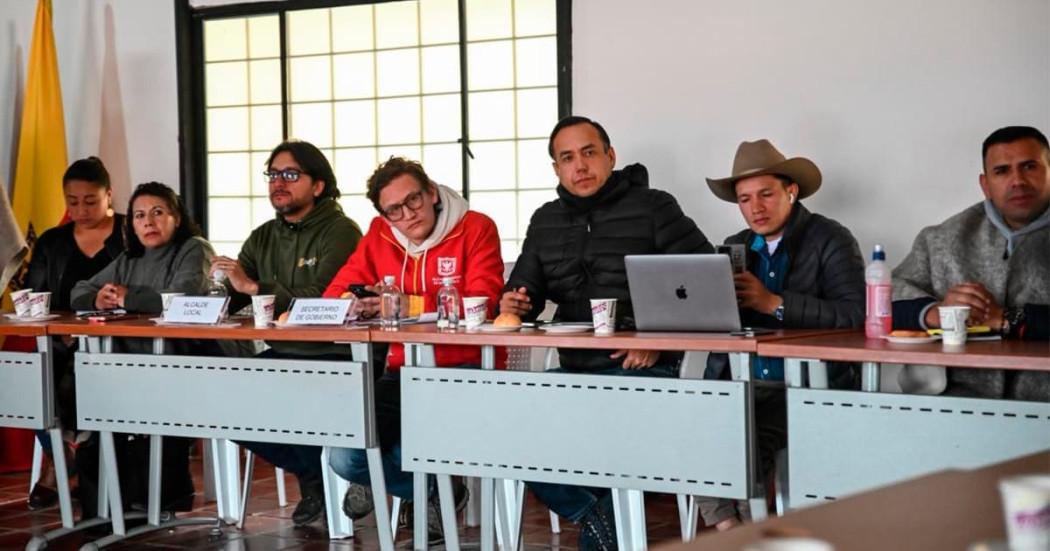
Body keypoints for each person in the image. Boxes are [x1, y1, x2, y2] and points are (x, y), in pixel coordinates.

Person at [499, 116, 713, 550]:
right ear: (557, 168)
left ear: (610, 156)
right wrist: (514, 303)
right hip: (575, 369)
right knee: (507, 427)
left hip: (644, 371)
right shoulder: (545, 220)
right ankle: (598, 518)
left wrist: (658, 341)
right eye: (567, 158)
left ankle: (603, 531)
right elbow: (525, 291)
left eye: (589, 153)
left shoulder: (654, 207)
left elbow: (707, 283)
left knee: (605, 439)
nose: (580, 166)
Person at [324, 156, 504, 539]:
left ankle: (399, 482)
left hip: (466, 371)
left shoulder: (476, 227)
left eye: (414, 200)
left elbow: (484, 303)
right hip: (401, 371)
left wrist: (408, 305)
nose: (407, 215)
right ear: (384, 215)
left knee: (405, 451)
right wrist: (354, 302)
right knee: (344, 455)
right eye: (394, 210)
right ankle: (440, 490)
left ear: (432, 193)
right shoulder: (380, 234)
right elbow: (333, 293)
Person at [700, 139, 866, 529]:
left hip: (809, 387)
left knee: (745, 438)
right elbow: (721, 327)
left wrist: (774, 303)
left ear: (791, 191)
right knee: (695, 426)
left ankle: (742, 531)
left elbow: (855, 314)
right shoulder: (735, 247)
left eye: (766, 194)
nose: (755, 207)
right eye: (744, 199)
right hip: (742, 384)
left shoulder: (831, 238)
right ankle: (734, 530)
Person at [207, 139, 363, 526]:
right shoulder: (263, 235)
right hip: (285, 353)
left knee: (289, 397)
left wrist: (254, 287)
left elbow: (325, 299)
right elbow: (232, 295)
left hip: (334, 355)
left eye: (291, 174)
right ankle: (314, 476)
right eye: (273, 174)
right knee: (221, 402)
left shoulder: (342, 231)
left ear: (318, 185)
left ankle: (323, 478)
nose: (279, 182)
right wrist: (212, 292)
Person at [70, 181, 215, 519]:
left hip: (185, 362)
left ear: (176, 218)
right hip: (131, 365)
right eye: (139, 216)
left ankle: (157, 500)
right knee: (95, 403)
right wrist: (97, 298)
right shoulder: (129, 258)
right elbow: (80, 289)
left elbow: (184, 297)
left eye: (157, 212)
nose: (148, 221)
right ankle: (116, 506)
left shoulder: (194, 248)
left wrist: (127, 297)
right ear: (131, 225)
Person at [893, 125, 1049, 400]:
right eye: (1002, 171)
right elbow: (881, 299)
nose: (1018, 181)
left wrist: (1007, 319)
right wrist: (935, 312)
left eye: (1029, 167)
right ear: (985, 185)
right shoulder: (940, 239)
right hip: (953, 406)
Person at [22, 157, 125, 510]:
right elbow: (37, 296)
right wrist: (65, 328)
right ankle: (62, 457)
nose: (81, 210)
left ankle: (67, 467)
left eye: (91, 201)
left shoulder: (130, 234)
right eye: (72, 201)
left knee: (81, 374)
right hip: (63, 339)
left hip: (119, 341)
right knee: (32, 377)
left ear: (109, 194)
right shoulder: (52, 242)